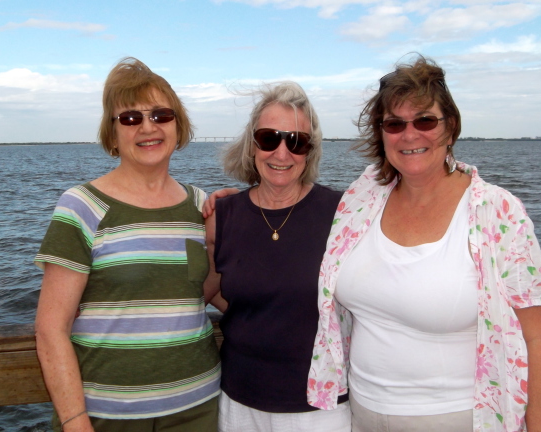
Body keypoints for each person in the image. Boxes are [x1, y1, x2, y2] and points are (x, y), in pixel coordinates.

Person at [308, 55, 541, 432]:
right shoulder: (363, 198)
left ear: (450, 126)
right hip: (360, 415)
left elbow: (535, 341)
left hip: (458, 419)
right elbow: (303, 208)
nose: (409, 134)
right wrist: (242, 203)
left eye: (425, 120)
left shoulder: (497, 211)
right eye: (394, 123)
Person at [34, 58, 220, 432]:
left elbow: (201, 293)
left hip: (199, 406)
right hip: (108, 416)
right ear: (112, 132)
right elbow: (50, 328)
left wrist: (230, 225)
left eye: (161, 115)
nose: (148, 127)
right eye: (131, 118)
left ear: (177, 125)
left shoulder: (201, 205)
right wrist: (74, 421)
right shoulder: (81, 206)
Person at [202, 81, 351, 431]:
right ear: (252, 144)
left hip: (320, 408)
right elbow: (203, 292)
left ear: (310, 150)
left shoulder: (342, 213)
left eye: (296, 142)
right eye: (269, 138)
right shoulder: (222, 217)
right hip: (239, 402)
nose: (281, 154)